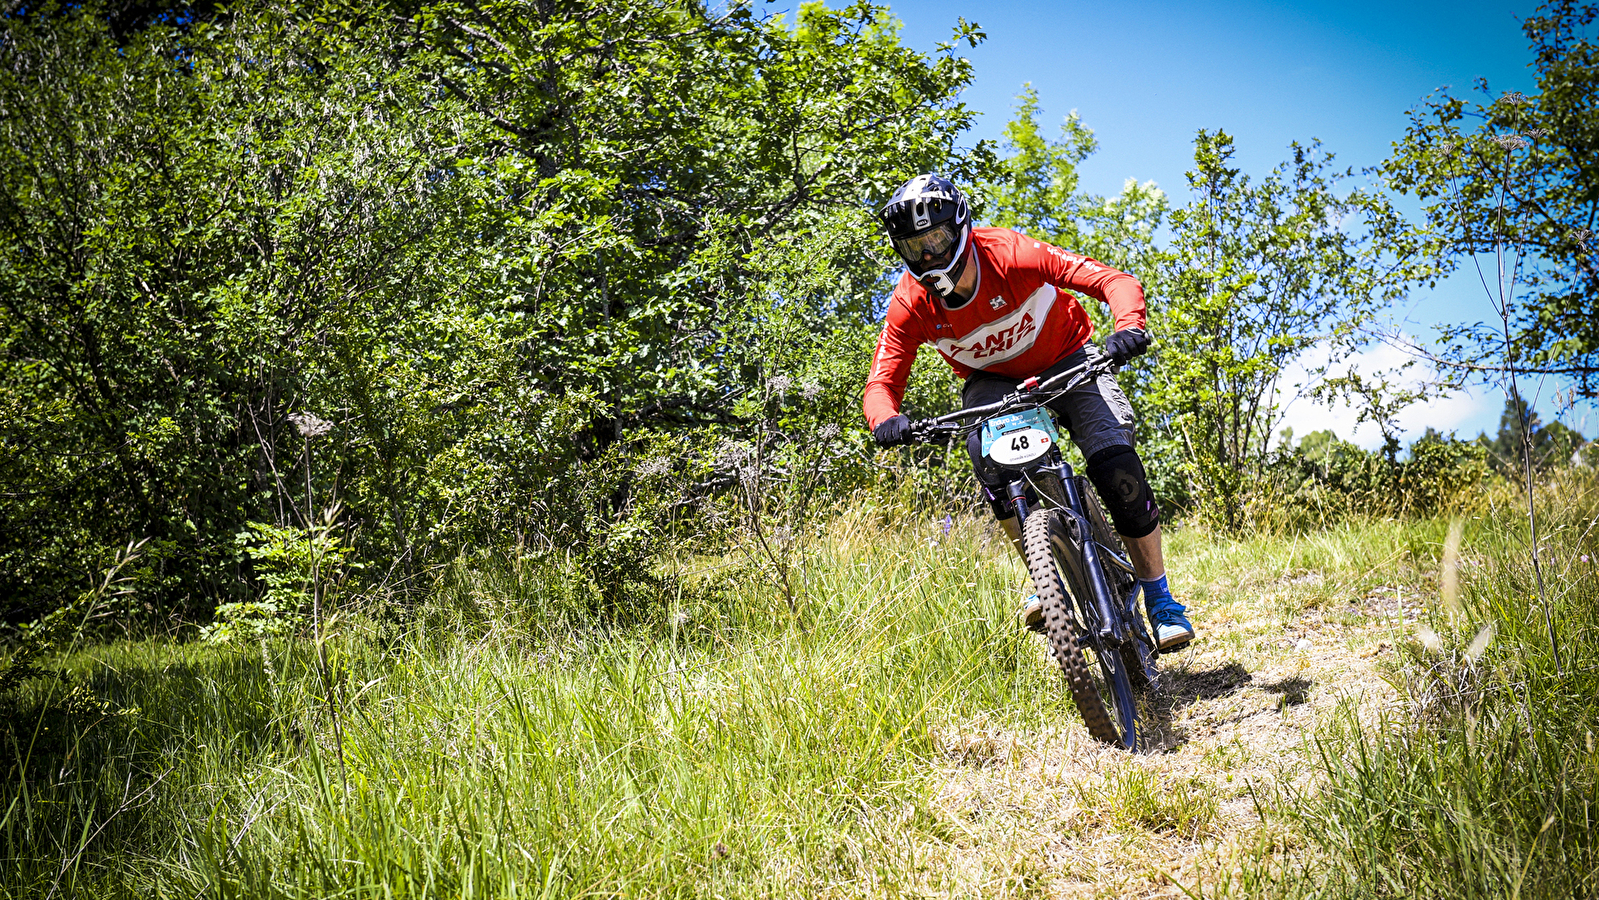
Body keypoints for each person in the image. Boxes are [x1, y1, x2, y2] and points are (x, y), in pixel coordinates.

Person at [862, 174, 1195, 650]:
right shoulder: (910, 305)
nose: (930, 256)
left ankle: (1161, 600)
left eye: (936, 239)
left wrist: (1128, 327)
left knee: (1115, 466)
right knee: (988, 460)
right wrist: (886, 420)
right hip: (993, 385)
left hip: (1069, 358)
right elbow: (882, 383)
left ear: (960, 228)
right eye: (916, 247)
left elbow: (1112, 281)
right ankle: (1046, 578)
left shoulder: (1012, 253)